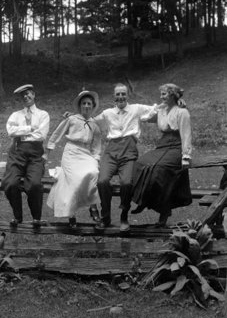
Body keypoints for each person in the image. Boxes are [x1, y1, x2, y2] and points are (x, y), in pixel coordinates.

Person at [94, 83, 158, 232]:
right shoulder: (107, 113)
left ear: (128, 95)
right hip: (111, 150)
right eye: (118, 94)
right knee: (102, 181)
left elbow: (156, 109)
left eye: (123, 93)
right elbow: (91, 121)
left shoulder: (136, 109)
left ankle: (124, 215)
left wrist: (175, 104)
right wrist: (74, 116)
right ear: (114, 96)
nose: (121, 96)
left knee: (127, 183)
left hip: (129, 151)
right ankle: (106, 216)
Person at [131, 83, 192, 227]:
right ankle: (143, 199)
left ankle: (164, 211)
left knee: (159, 170)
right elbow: (145, 118)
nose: (161, 96)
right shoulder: (162, 110)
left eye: (164, 94)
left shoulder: (182, 112)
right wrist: (159, 106)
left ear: (172, 95)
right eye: (161, 94)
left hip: (176, 147)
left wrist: (185, 156)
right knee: (140, 163)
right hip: (163, 145)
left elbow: (186, 135)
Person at [46, 90, 101, 227]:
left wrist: (96, 158)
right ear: (80, 105)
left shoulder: (94, 124)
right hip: (71, 152)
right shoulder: (71, 119)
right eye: (84, 103)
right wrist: (49, 150)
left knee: (93, 173)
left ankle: (93, 206)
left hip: (86, 153)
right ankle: (71, 214)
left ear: (92, 106)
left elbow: (97, 144)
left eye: (89, 103)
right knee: (74, 180)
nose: (86, 106)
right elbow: (57, 133)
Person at [2, 84, 50, 227]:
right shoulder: (15, 115)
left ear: (34, 95)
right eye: (22, 95)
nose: (26, 96)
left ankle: (36, 217)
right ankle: (17, 216)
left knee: (34, 184)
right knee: (9, 184)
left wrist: (21, 132)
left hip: (35, 156)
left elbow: (41, 134)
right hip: (17, 154)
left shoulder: (43, 114)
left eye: (28, 93)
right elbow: (11, 131)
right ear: (20, 98)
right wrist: (29, 128)